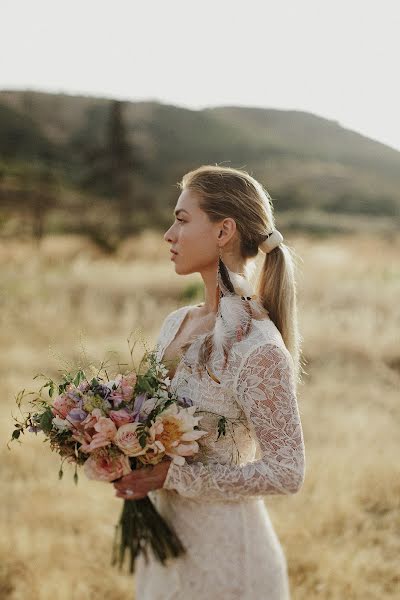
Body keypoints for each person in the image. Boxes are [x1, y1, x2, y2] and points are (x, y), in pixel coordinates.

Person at [113, 165, 306, 599]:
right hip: (164, 547)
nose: (168, 234)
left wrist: (172, 477)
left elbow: (288, 472)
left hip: (228, 560)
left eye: (182, 220)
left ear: (224, 232)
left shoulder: (257, 346)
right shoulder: (176, 323)